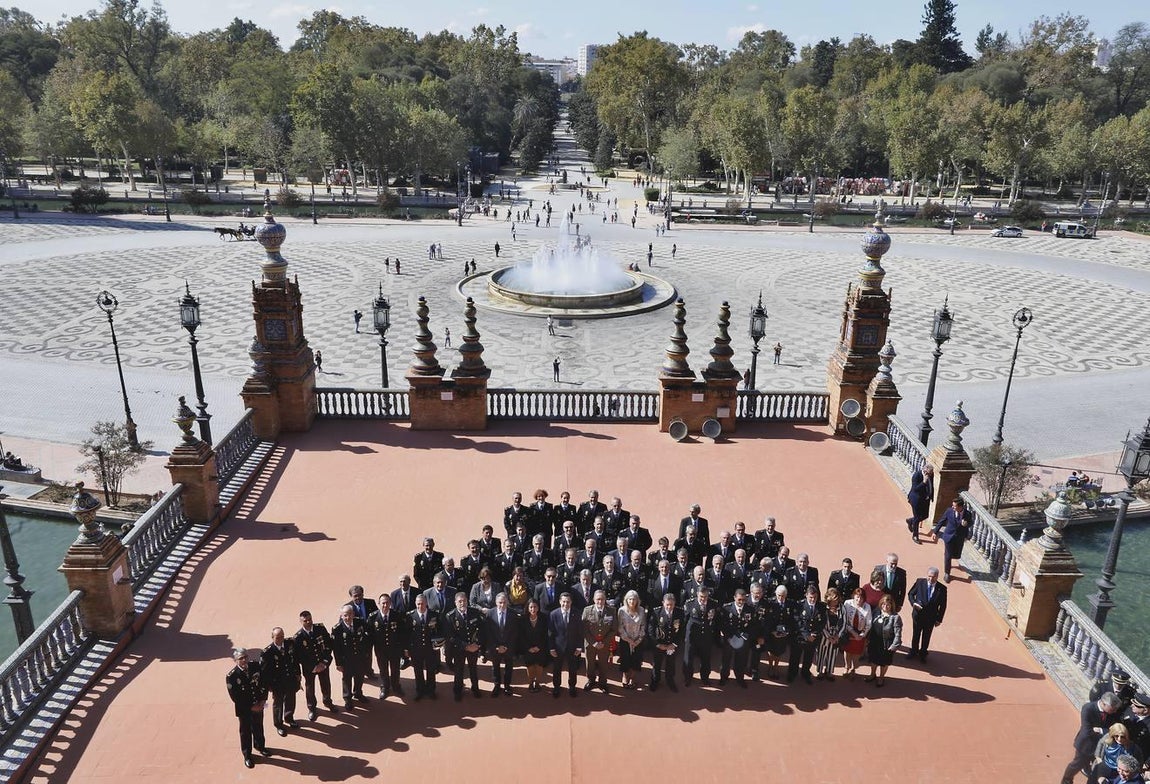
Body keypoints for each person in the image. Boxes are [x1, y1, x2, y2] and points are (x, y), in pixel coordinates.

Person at [1063, 692, 1124, 784]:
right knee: (1077, 764)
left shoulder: (1112, 713)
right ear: (1104, 704)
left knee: (1096, 768)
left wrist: (1101, 730)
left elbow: (1116, 729)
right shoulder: (1088, 708)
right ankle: (1066, 780)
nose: (1115, 711)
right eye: (1113, 709)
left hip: (1101, 746)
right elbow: (1087, 731)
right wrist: (1108, 732)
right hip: (1086, 744)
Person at [226, 647, 268, 769]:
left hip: (258, 704)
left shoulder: (255, 666)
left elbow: (263, 682)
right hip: (245, 709)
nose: (244, 660)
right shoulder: (232, 677)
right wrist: (251, 707)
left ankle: (260, 746)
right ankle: (247, 755)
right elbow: (236, 698)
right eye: (241, 658)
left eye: (245, 657)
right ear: (235, 660)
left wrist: (263, 700)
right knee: (245, 732)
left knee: (258, 726)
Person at [294, 611, 338, 720]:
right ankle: (312, 708)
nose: (308, 622)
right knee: (310, 688)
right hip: (310, 669)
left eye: (310, 619)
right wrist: (314, 667)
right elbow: (299, 657)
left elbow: (328, 644)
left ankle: (328, 702)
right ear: (301, 622)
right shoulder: (298, 637)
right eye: (305, 621)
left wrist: (324, 662)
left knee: (326, 684)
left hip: (323, 664)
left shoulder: (320, 629)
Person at [445, 593, 486, 701]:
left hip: (473, 647)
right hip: (459, 648)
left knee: (473, 669)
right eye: (460, 601)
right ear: (455, 603)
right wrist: (465, 646)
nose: (462, 603)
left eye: (464, 601)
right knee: (459, 670)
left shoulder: (474, 612)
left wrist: (477, 644)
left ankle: (475, 688)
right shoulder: (450, 616)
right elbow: (451, 637)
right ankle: (458, 690)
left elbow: (481, 630)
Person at [366, 594, 406, 699]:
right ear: (379, 604)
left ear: (390, 603)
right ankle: (385, 687)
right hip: (380, 650)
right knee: (383, 670)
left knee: (395, 669)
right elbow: (369, 635)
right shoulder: (372, 617)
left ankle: (396, 686)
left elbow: (402, 633)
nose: (385, 605)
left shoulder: (396, 616)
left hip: (395, 649)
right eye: (383, 603)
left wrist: (402, 648)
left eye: (387, 602)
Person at [262, 627, 299, 736]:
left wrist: (298, 674)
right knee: (278, 704)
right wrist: (269, 686)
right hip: (277, 683)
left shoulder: (290, 644)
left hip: (290, 679)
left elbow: (295, 660)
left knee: (291, 700)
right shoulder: (267, 652)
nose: (281, 639)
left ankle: (289, 717)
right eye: (278, 637)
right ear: (272, 637)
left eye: (282, 636)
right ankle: (278, 724)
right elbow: (265, 672)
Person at [332, 604, 370, 709]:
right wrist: (338, 663)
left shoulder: (360, 622)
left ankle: (358, 693)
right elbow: (336, 648)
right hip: (346, 660)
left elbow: (367, 638)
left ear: (353, 614)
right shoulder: (337, 629)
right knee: (347, 679)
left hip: (360, 658)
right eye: (345, 615)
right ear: (341, 616)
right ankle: (347, 698)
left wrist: (366, 654)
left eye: (349, 614)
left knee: (360, 677)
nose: (348, 618)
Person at [406, 594, 442, 701]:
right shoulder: (410, 616)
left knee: (431, 670)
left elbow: (440, 630)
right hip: (416, 649)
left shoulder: (434, 615)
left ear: (426, 604)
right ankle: (420, 690)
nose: (420, 606)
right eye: (418, 604)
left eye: (422, 604)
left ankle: (431, 690)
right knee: (418, 671)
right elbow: (407, 634)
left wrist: (438, 643)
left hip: (430, 649)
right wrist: (407, 649)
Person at [907, 567, 947, 662]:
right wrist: (914, 603)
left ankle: (923, 653)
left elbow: (943, 606)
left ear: (937, 577)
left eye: (933, 577)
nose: (930, 579)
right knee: (916, 634)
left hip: (931, 617)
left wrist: (939, 620)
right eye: (929, 576)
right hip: (918, 615)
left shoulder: (942, 589)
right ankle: (913, 651)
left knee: (926, 636)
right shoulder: (920, 582)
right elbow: (911, 594)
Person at [788, 584, 826, 684]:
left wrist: (815, 634)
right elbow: (797, 621)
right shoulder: (799, 605)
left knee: (808, 658)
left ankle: (805, 674)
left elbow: (822, 622)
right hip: (800, 638)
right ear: (806, 595)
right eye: (811, 597)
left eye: (815, 597)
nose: (813, 600)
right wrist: (806, 635)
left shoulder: (821, 607)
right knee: (795, 657)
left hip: (813, 638)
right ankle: (792, 674)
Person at [719, 588, 757, 687]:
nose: (741, 602)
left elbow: (753, 625)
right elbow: (722, 624)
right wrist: (729, 636)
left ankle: (740, 678)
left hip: (743, 640)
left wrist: (747, 635)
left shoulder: (750, 609)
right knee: (726, 660)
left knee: (741, 661)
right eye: (739, 599)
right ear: (734, 598)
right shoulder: (726, 608)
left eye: (743, 600)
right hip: (730, 639)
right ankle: (723, 677)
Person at [549, 593, 583, 697]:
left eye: (568, 602)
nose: (565, 604)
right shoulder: (553, 614)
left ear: (571, 602)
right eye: (563, 601)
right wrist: (551, 648)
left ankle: (572, 686)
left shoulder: (577, 613)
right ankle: (556, 687)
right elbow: (550, 632)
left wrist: (579, 646)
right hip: (558, 647)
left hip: (572, 647)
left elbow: (580, 631)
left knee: (573, 668)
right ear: (560, 602)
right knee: (557, 668)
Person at [683, 586, 719, 686]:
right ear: (697, 595)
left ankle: (705, 678)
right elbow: (684, 620)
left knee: (706, 658)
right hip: (692, 635)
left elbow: (716, 620)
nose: (703, 599)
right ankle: (687, 677)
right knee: (688, 658)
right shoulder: (689, 603)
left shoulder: (713, 604)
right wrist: (685, 636)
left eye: (705, 597)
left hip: (706, 635)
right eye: (701, 597)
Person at [582, 590, 617, 692]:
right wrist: (594, 643)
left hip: (604, 644)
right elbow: (584, 629)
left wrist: (604, 642)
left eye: (602, 599)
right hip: (590, 643)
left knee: (603, 664)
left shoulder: (611, 611)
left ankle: (602, 683)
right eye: (597, 599)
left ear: (605, 599)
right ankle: (591, 680)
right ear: (593, 599)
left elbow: (614, 629)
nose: (600, 601)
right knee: (590, 663)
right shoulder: (587, 610)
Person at [932, 498, 973, 582]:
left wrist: (967, 524)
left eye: (954, 506)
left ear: (960, 507)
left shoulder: (967, 514)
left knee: (957, 555)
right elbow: (941, 521)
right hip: (948, 536)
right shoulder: (949, 511)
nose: (952, 507)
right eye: (952, 505)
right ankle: (947, 573)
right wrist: (935, 532)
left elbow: (971, 522)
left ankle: (950, 560)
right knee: (948, 555)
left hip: (959, 538)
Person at [865, 594, 902, 687]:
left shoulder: (895, 617)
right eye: (883, 604)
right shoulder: (877, 612)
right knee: (873, 660)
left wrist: (894, 645)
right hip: (874, 642)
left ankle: (881, 677)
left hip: (887, 644)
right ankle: (872, 674)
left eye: (888, 605)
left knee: (884, 662)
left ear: (891, 605)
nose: (885, 606)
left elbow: (898, 633)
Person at [485, 593, 518, 695]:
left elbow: (515, 632)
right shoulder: (490, 613)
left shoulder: (513, 614)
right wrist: (496, 647)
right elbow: (488, 632)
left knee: (509, 667)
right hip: (495, 647)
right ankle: (497, 685)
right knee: (495, 666)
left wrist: (506, 646)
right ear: (496, 602)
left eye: (504, 603)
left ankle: (507, 686)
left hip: (508, 647)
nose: (502, 605)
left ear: (507, 602)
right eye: (500, 603)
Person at [617, 590, 647, 689]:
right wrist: (629, 640)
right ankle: (625, 676)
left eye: (634, 599)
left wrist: (638, 640)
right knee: (625, 659)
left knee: (636, 660)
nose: (632, 601)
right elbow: (620, 627)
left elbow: (643, 626)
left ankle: (633, 677)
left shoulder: (641, 610)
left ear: (637, 600)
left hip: (638, 641)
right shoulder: (621, 610)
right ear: (626, 600)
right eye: (630, 599)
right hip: (625, 640)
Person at [815, 587, 846, 681]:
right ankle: (820, 672)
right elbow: (820, 624)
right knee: (821, 654)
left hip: (836, 636)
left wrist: (838, 636)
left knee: (832, 654)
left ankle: (829, 672)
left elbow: (844, 623)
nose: (835, 602)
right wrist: (828, 636)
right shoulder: (823, 608)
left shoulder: (842, 608)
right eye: (832, 600)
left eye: (836, 599)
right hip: (825, 636)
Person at [521, 597, 550, 692]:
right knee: (530, 666)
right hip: (527, 648)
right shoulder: (523, 619)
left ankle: (537, 683)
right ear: (527, 608)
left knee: (539, 665)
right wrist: (528, 647)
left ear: (538, 608)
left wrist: (539, 647)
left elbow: (546, 634)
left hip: (540, 647)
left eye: (535, 607)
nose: (533, 609)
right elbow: (521, 635)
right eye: (531, 607)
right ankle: (530, 682)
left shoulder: (544, 618)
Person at [842, 587, 872, 678]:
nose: (859, 599)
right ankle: (847, 667)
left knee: (856, 653)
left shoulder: (867, 607)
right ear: (853, 596)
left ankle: (853, 669)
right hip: (849, 632)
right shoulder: (847, 603)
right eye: (857, 597)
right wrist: (852, 632)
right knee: (847, 651)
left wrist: (862, 635)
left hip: (860, 635)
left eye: (861, 598)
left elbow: (869, 623)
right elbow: (844, 620)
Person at [906, 464, 935, 543]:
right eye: (929, 473)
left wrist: (931, 495)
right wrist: (924, 482)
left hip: (925, 500)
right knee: (917, 518)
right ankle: (915, 536)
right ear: (925, 471)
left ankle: (910, 521)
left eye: (931, 473)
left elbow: (931, 485)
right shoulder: (916, 475)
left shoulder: (931, 474)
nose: (931, 474)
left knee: (925, 515)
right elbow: (915, 489)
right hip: (916, 500)